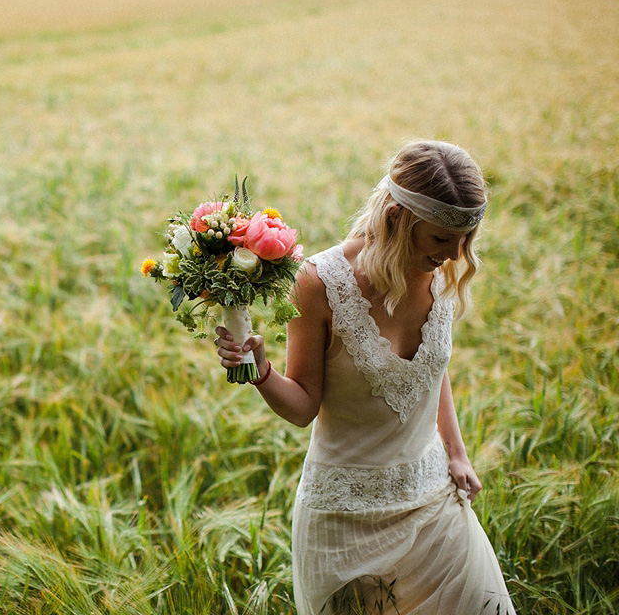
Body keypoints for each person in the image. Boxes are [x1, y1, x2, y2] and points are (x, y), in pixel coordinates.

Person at [215, 141, 516, 614]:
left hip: (436, 505)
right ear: (396, 216)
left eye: (465, 239)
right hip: (344, 522)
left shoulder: (437, 271)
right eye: (440, 239)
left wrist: (456, 452)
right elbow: (303, 407)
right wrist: (259, 370)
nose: (455, 254)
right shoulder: (318, 282)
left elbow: (430, 369)